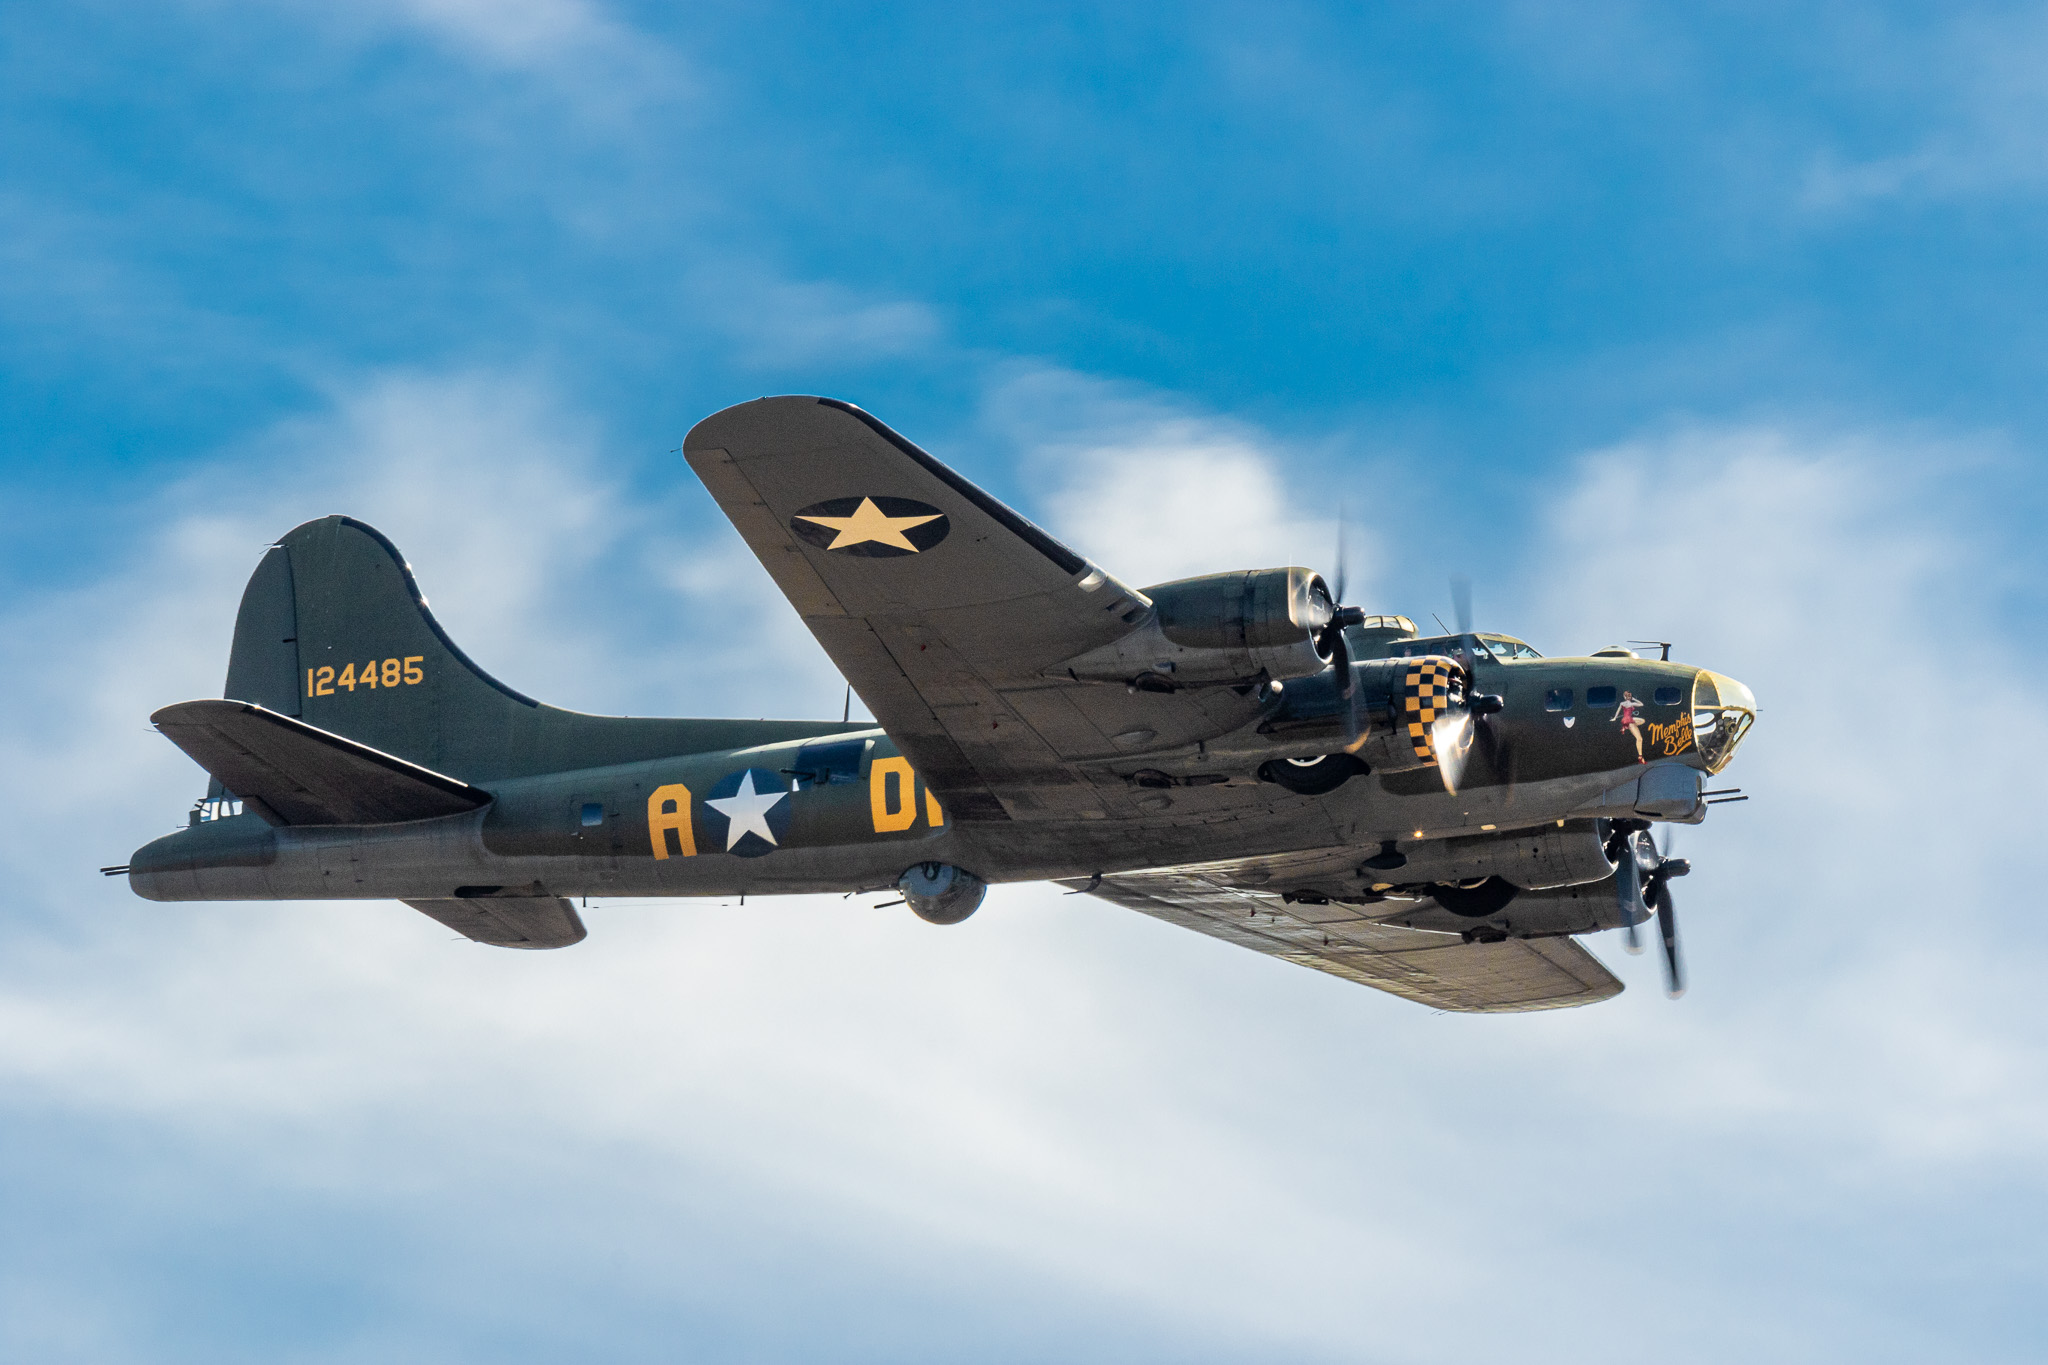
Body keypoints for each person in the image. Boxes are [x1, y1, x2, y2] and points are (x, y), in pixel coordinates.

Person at [1612, 690, 1647, 763]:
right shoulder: (1631, 704)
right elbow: (1641, 704)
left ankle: (1625, 727)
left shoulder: (1622, 703)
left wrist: (1615, 718)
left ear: (1624, 697)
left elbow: (1618, 711)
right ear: (1630, 697)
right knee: (1639, 739)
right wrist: (1634, 699)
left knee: (1642, 720)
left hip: (1625, 719)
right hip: (1629, 721)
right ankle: (1640, 757)